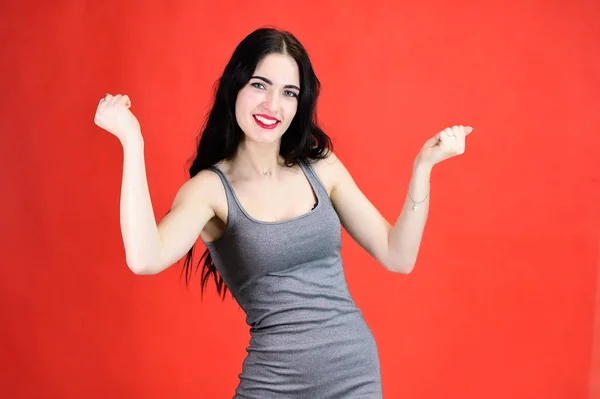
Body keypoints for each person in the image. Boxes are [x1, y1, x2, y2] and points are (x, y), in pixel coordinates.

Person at [94, 27, 473, 398]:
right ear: (235, 87)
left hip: (354, 374)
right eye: (260, 85)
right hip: (274, 383)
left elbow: (398, 256)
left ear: (299, 103)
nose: (272, 105)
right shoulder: (210, 191)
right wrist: (132, 140)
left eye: (288, 92)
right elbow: (145, 258)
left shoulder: (320, 166)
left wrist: (424, 167)